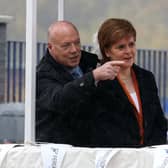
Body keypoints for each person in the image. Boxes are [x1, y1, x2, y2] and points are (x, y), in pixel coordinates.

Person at [36, 20, 123, 145]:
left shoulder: (90, 61)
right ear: (50, 47)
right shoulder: (42, 74)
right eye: (66, 46)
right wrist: (93, 77)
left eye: (77, 43)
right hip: (61, 151)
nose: (74, 50)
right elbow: (60, 99)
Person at [89, 18, 167, 147]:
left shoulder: (147, 77)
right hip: (116, 158)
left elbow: (158, 122)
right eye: (121, 47)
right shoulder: (99, 82)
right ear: (107, 51)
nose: (128, 51)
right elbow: (100, 130)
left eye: (131, 44)